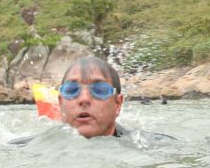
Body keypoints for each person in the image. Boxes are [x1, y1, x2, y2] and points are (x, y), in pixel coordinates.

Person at [9, 56, 174, 144]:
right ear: (61, 103)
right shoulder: (24, 148)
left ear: (118, 104)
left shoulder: (153, 146)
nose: (84, 99)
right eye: (72, 90)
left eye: (100, 90)